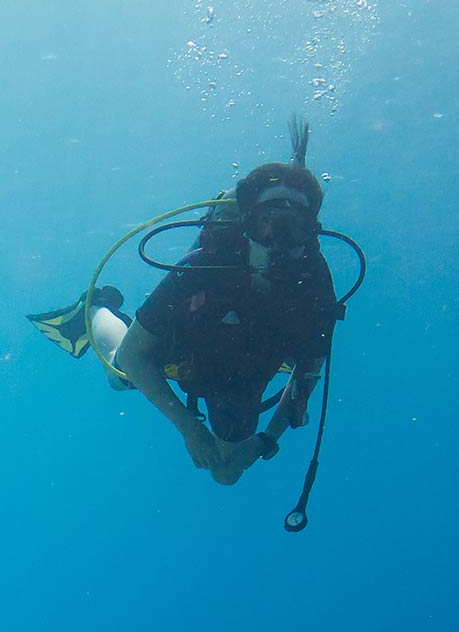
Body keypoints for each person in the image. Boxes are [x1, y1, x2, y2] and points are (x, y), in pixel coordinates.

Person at [35, 122, 341, 486]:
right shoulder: (204, 265)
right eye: (267, 224)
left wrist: (264, 441)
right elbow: (135, 356)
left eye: (294, 227)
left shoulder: (314, 288)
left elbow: (307, 374)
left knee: (227, 470)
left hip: (252, 363)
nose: (279, 241)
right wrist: (188, 429)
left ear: (311, 233)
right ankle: (98, 307)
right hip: (186, 347)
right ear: (246, 226)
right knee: (120, 372)